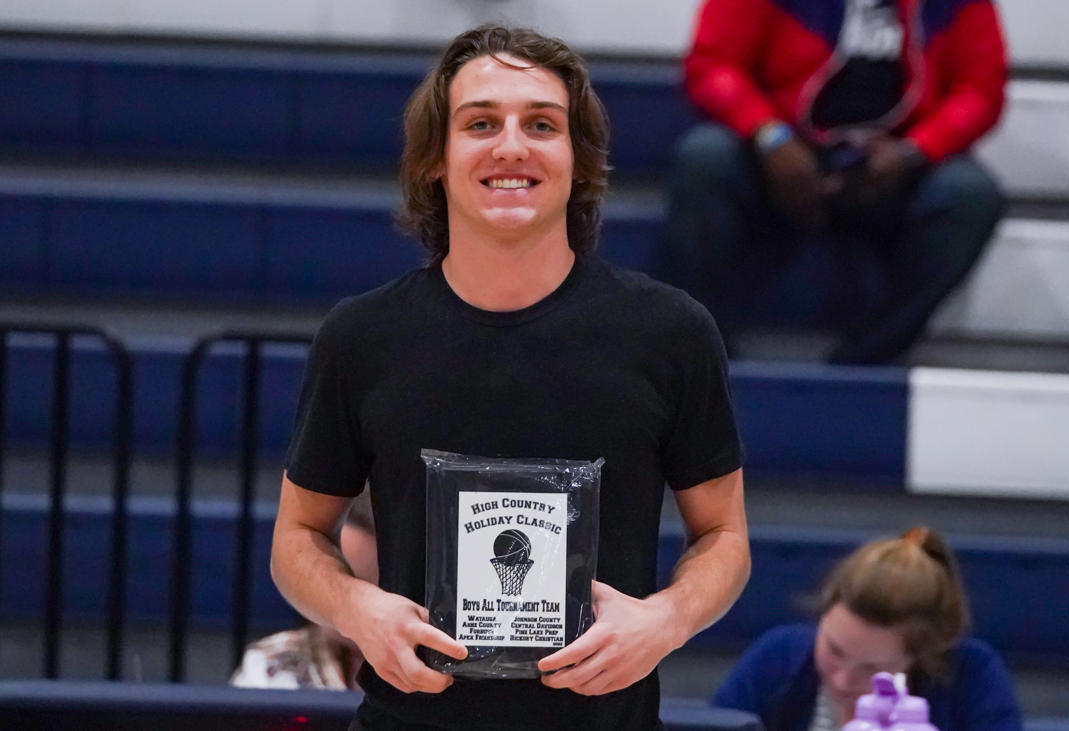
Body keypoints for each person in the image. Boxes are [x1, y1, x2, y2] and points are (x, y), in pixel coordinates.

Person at [270, 24, 751, 731]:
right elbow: (297, 536)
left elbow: (724, 535)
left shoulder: (669, 332)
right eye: (481, 123)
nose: (512, 146)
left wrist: (666, 619)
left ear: (579, 162)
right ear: (435, 160)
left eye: (542, 124)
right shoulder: (362, 336)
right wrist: (355, 607)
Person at [666, 0, 1009, 363]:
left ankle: (864, 361)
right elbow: (711, 64)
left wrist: (914, 151)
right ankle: (699, 361)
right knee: (705, 157)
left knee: (970, 194)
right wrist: (770, 136)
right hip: (778, 150)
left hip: (895, 160)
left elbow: (981, 89)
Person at [713, 527, 1022, 731]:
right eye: (834, 650)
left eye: (872, 668)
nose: (843, 680)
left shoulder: (971, 678)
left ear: (920, 655)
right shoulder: (778, 658)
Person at [232, 493, 378, 690]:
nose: (340, 598)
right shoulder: (270, 667)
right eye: (331, 581)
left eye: (365, 587)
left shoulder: (422, 671)